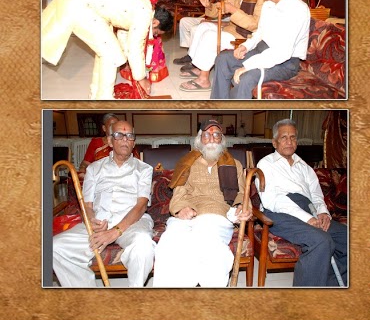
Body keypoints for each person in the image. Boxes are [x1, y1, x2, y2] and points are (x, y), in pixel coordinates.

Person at [53, 119, 155, 287]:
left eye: (129, 136)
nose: (125, 139)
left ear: (134, 142)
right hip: (99, 222)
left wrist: (115, 232)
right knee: (56, 247)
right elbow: (87, 205)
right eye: (119, 135)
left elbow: (141, 205)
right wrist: (92, 220)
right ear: (109, 141)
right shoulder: (93, 169)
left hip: (132, 222)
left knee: (144, 245)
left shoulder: (144, 169)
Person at [152, 121, 249, 287]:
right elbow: (179, 191)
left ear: (222, 139)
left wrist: (241, 207)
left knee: (204, 244)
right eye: (206, 135)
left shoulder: (235, 165)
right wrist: (181, 209)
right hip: (188, 214)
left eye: (216, 135)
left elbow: (241, 194)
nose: (211, 138)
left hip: (216, 214)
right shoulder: (187, 163)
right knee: (168, 244)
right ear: (199, 139)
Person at [41, 0, 174, 100]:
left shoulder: (145, 5)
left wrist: (128, 60)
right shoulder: (144, 15)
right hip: (79, 5)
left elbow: (124, 35)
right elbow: (135, 48)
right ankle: (104, 98)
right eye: (156, 32)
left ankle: (95, 95)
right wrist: (141, 78)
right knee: (112, 55)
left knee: (106, 53)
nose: (154, 35)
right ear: (155, 22)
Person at [258, 119, 349, 286]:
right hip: (279, 214)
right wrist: (307, 218)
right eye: (284, 137)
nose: (289, 141)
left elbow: (316, 195)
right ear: (274, 142)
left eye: (292, 137)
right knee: (321, 240)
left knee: (348, 237)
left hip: (308, 208)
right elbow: (273, 200)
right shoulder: (265, 164)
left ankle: (331, 287)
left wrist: (322, 212)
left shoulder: (305, 167)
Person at [210, 0, 309, 99]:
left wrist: (248, 66)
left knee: (247, 77)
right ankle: (219, 104)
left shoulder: (297, 9)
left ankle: (235, 109)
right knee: (223, 59)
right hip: (261, 50)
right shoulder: (268, 3)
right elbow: (260, 32)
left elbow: (282, 53)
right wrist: (245, 46)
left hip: (285, 62)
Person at [177, 0, 263, 92]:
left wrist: (233, 10)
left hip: (246, 38)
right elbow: (220, 7)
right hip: (232, 31)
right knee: (203, 26)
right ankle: (199, 67)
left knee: (210, 36)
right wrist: (208, 5)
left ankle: (204, 80)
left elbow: (255, 25)